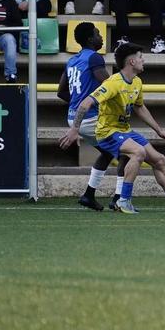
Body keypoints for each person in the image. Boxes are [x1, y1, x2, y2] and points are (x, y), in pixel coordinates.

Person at [60, 41, 165, 214]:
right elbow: (85, 104)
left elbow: (139, 107)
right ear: (131, 62)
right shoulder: (113, 83)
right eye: (141, 57)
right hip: (107, 132)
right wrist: (75, 129)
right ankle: (123, 201)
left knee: (159, 160)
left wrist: (159, 130)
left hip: (124, 131)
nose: (144, 61)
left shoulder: (137, 82)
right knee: (138, 152)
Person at [56, 22, 120, 211]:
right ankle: (119, 199)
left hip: (73, 116)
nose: (101, 37)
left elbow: (61, 92)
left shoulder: (72, 60)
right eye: (98, 34)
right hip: (91, 117)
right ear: (90, 39)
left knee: (108, 152)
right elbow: (110, 86)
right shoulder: (95, 58)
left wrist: (78, 104)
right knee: (127, 152)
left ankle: (88, 195)